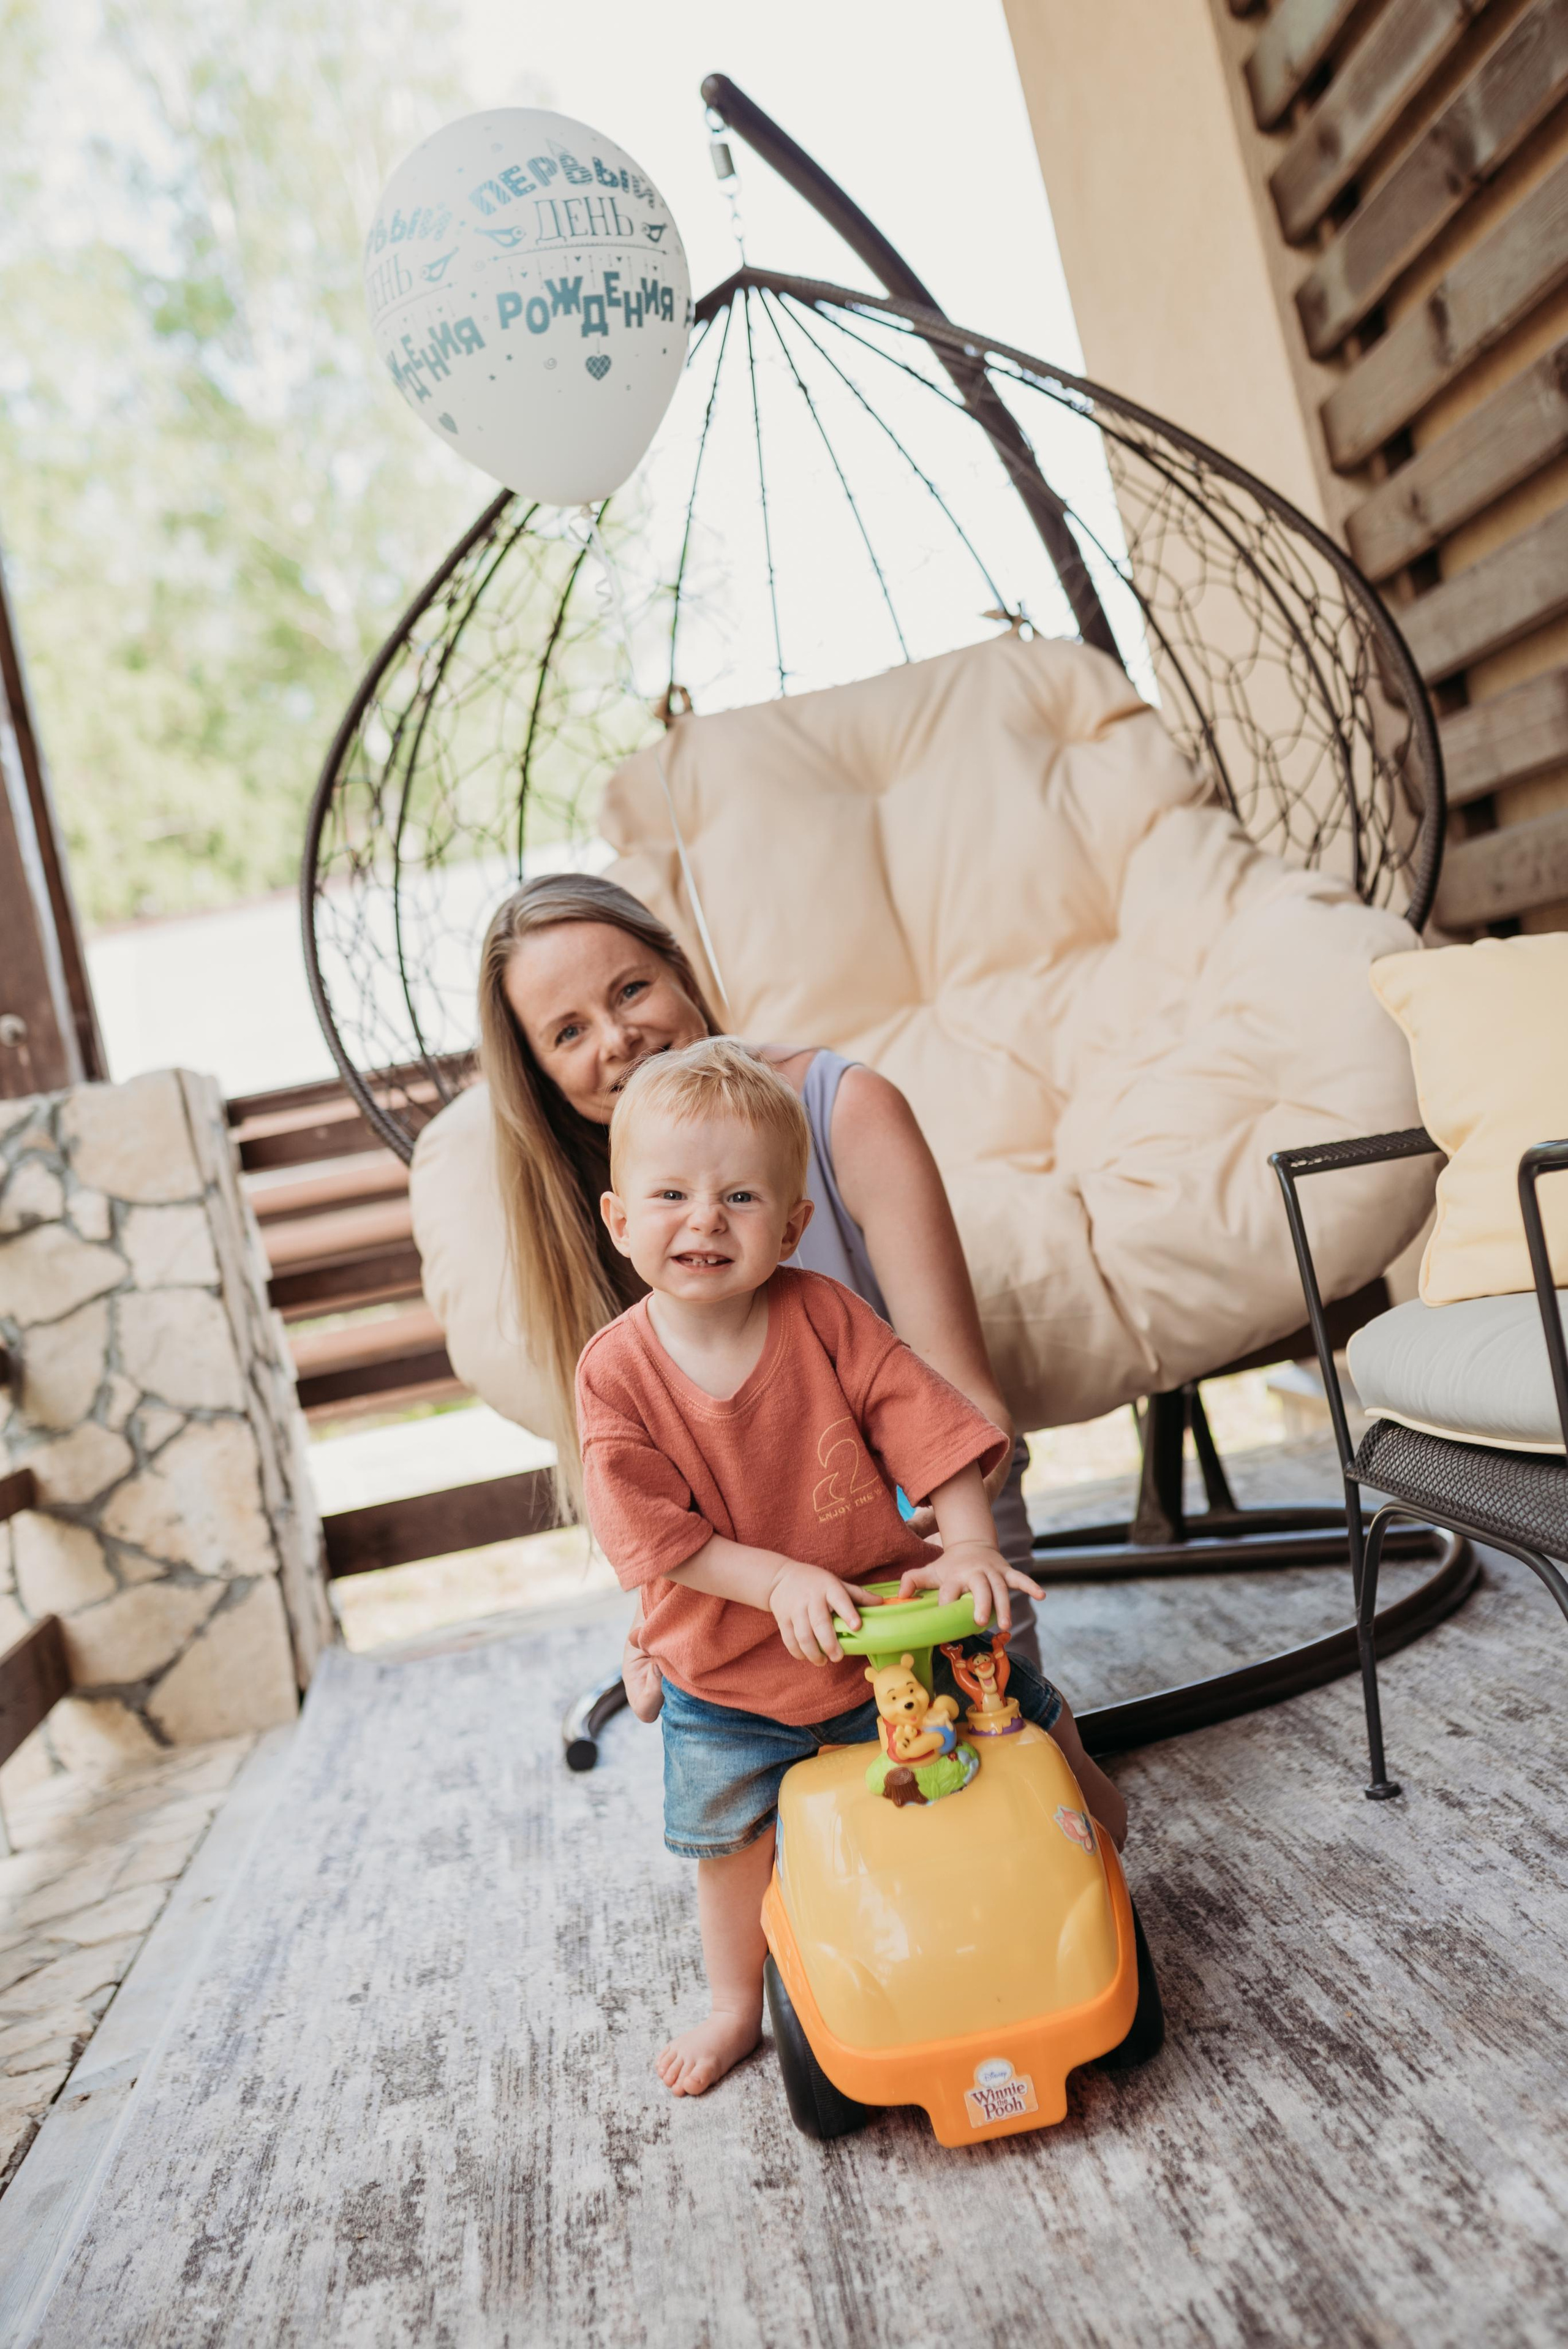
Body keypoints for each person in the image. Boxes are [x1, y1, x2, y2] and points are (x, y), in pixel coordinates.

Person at [576, 1038, 1126, 2099]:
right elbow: (652, 1534)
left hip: (883, 1637)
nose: (705, 1219)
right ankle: (737, 2001)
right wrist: (775, 1581)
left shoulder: (826, 1316)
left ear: (792, 1225)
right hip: (729, 1667)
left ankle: (1095, 1848)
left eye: (741, 1196)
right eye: (673, 1195)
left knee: (1024, 1716)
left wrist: (968, 1540)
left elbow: (927, 1422)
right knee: (730, 1838)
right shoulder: (618, 1373)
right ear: (620, 1220)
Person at [477, 870, 1045, 1666]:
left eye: (632, 988)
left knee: (1016, 1756)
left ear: (682, 971)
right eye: (567, 1032)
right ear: (540, 1071)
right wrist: (684, 1623)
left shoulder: (845, 1107)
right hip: (755, 1595)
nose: (616, 1039)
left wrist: (950, 1544)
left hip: (925, 1534)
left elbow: (964, 1402)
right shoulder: (591, 1204)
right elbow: (659, 1504)